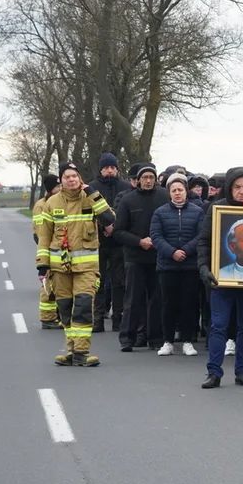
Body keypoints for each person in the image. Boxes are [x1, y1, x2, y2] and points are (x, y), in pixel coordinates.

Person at [35, 163, 115, 367]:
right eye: (67, 177)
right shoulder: (51, 203)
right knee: (65, 309)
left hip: (86, 269)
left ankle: (81, 351)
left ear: (80, 178)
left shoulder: (91, 198)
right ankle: (71, 351)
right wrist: (42, 266)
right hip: (60, 269)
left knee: (82, 308)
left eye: (74, 176)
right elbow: (44, 237)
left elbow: (108, 219)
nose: (71, 180)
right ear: (61, 181)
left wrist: (92, 193)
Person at [197, 167, 243, 388]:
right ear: (229, 188)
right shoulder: (217, 208)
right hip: (221, 279)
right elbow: (204, 241)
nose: (242, 191)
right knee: (219, 325)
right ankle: (214, 372)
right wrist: (203, 268)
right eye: (237, 187)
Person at [114, 163, 170, 352]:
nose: (148, 181)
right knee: (132, 299)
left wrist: (159, 241)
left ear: (155, 179)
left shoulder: (164, 197)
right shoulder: (127, 200)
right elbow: (118, 231)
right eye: (144, 177)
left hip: (159, 256)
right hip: (135, 257)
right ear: (138, 180)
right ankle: (127, 338)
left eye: (151, 177)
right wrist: (139, 242)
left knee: (157, 300)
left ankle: (155, 338)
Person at [149, 173, 205, 357]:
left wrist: (186, 251)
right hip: (167, 265)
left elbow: (201, 236)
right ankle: (168, 341)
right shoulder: (160, 212)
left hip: (190, 265)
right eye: (174, 190)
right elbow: (156, 237)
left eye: (180, 189)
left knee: (189, 304)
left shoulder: (197, 212)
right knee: (168, 304)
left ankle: (188, 341)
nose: (177, 193)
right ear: (169, 193)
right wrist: (172, 252)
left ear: (186, 191)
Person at [89, 153, 126, 333]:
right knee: (99, 281)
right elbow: (88, 213)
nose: (110, 171)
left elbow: (127, 212)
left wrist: (115, 225)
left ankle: (118, 318)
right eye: (106, 168)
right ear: (101, 170)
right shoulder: (92, 188)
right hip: (98, 241)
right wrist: (103, 224)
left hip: (119, 242)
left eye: (113, 168)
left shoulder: (125, 187)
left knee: (119, 282)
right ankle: (98, 318)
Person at [31, 174, 62, 330]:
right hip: (48, 248)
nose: (59, 189)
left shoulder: (59, 202)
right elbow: (39, 232)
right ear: (49, 189)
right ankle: (47, 318)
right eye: (57, 187)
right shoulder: (41, 205)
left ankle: (56, 314)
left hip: (59, 248)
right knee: (47, 282)